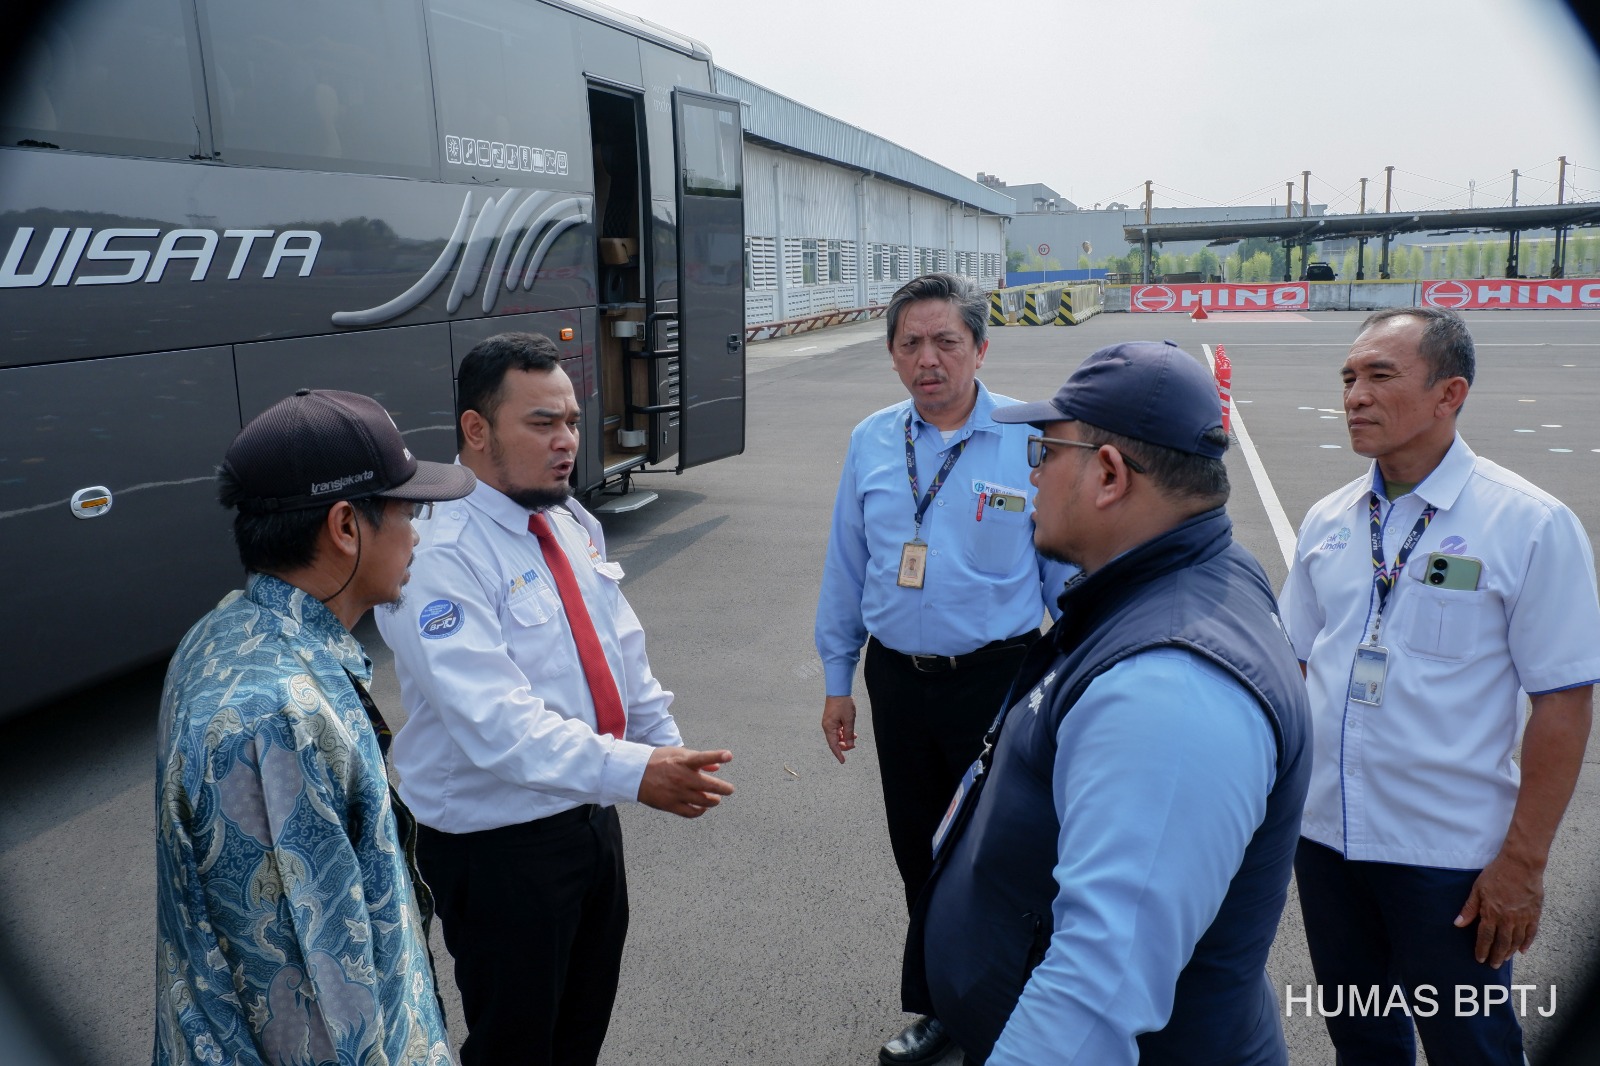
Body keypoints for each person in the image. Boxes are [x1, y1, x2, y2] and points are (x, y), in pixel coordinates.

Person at [911, 341, 1311, 1065]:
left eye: (1045, 451)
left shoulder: (1173, 689)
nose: (1031, 474)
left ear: (1107, 473)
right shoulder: (1185, 573)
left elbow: (1093, 998)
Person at [375, 332, 734, 1066]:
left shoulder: (567, 519)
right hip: (500, 847)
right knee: (515, 1044)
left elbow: (618, 649)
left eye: (571, 420)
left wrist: (664, 747)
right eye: (542, 423)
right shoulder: (439, 554)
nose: (567, 440)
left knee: (578, 1028)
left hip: (587, 815)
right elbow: (497, 726)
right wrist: (637, 771)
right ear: (476, 432)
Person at [1279, 307, 1600, 1064]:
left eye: (1380, 375)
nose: (1355, 394)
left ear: (1449, 393)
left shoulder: (1526, 524)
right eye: (1349, 378)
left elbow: (1563, 700)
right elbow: (1294, 665)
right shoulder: (1330, 519)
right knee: (1361, 1038)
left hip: (1447, 860)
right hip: (1328, 846)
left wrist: (1521, 864)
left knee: (1473, 1047)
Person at [154, 388, 476, 1066]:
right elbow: (320, 1010)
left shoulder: (222, 631)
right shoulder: (279, 721)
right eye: (406, 509)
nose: (416, 531)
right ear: (344, 526)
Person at [814, 272, 1075, 1064]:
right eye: (910, 344)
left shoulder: (1033, 438)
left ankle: (1019, 1002)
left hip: (998, 681)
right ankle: (937, 1008)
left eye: (945, 342)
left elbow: (1068, 580)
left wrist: (1075, 689)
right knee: (919, 851)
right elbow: (846, 566)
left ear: (980, 348)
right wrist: (837, 680)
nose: (929, 359)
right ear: (893, 356)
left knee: (1004, 853)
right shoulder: (871, 440)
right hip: (898, 683)